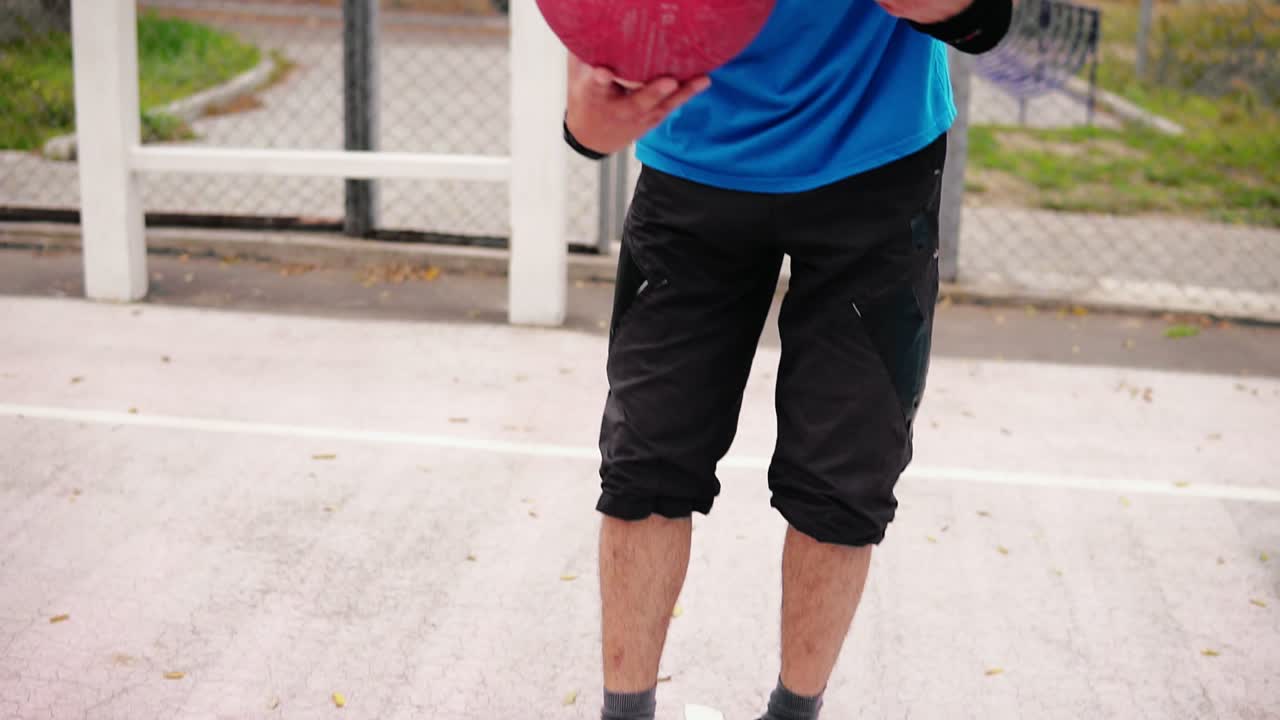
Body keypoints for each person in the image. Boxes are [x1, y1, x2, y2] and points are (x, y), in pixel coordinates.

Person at [564, 1, 1011, 718]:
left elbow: (982, 21)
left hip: (874, 157)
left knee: (842, 479)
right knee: (644, 463)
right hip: (696, 160)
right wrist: (590, 119)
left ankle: (794, 712)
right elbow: (588, 100)